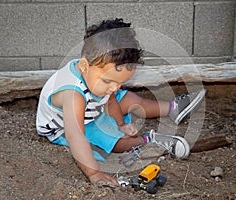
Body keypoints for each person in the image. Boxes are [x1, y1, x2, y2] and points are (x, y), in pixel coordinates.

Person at [36, 18, 206, 186]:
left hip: (94, 105)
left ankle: (172, 109)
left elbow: (110, 99)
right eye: (109, 81)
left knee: (129, 99)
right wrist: (94, 173)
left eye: (120, 82)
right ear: (83, 66)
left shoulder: (97, 76)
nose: (115, 87)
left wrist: (120, 124)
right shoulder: (73, 95)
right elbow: (76, 136)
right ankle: (149, 141)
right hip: (67, 126)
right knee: (111, 139)